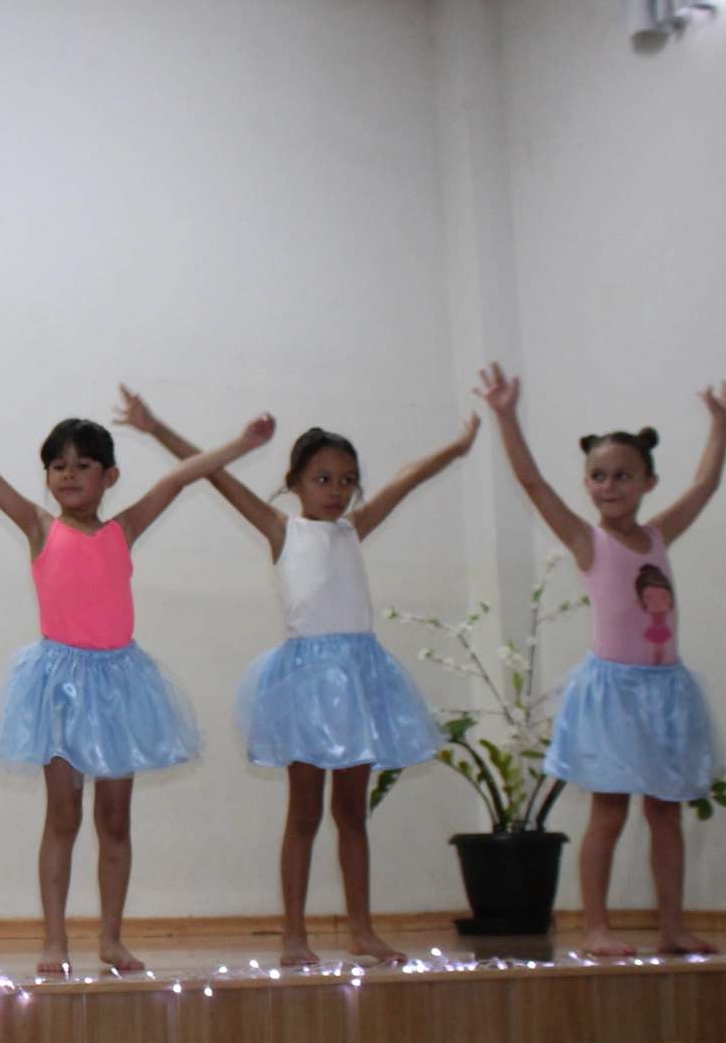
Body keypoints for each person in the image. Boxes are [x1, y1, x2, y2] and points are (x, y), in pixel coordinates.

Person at [0, 386, 271, 976]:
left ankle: (111, 938)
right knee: (64, 814)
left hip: (121, 684)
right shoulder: (39, 527)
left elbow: (178, 479)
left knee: (115, 819)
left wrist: (242, 443)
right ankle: (55, 940)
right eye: (58, 466)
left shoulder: (124, 529)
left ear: (109, 476)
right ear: (46, 475)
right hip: (59, 684)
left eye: (83, 465)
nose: (69, 475)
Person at [117, 393, 476, 966]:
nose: (335, 490)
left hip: (360, 681)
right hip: (307, 684)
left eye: (347, 480)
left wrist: (457, 448)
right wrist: (155, 425)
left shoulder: (355, 529)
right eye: (323, 478)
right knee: (305, 812)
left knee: (353, 813)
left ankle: (362, 928)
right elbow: (214, 475)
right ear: (295, 483)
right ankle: (294, 935)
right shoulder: (281, 530)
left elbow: (409, 478)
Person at [476, 363, 726, 957]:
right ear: (587, 483)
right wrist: (507, 416)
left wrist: (720, 424)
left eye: (623, 475)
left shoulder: (661, 535)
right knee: (609, 813)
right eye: (597, 476)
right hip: (614, 692)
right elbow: (535, 485)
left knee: (666, 817)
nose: (609, 486)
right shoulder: (589, 541)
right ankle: (596, 925)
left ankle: (672, 927)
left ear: (647, 481)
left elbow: (705, 486)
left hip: (666, 690)